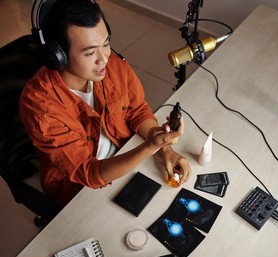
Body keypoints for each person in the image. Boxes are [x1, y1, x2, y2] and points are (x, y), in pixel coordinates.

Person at [19, 0, 191, 207]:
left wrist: (164, 147)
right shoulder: (40, 108)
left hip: (127, 153)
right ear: (58, 56)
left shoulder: (113, 64)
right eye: (90, 53)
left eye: (106, 44)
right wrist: (149, 148)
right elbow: (89, 173)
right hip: (82, 188)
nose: (104, 59)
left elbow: (136, 110)